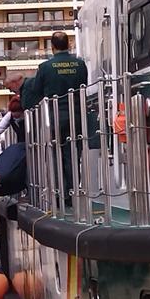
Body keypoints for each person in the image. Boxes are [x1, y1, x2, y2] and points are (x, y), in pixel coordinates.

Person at [21, 31, 89, 198]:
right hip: (76, 114)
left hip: (54, 116)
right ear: (69, 44)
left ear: (52, 47)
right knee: (73, 153)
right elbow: (84, 85)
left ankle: (60, 193)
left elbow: (36, 90)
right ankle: (73, 191)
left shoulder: (45, 67)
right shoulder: (80, 64)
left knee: (55, 154)